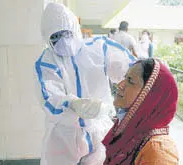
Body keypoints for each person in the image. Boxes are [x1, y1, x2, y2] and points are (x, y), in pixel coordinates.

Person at [35, 3, 136, 165]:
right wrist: (73, 103)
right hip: (64, 136)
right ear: (47, 38)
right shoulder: (47, 61)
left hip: (100, 129)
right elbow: (49, 97)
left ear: (74, 29)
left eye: (66, 34)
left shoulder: (99, 47)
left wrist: (147, 68)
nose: (63, 41)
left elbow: (131, 70)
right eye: (55, 37)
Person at [102, 58, 179, 164]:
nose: (120, 85)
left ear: (151, 96)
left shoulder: (158, 150)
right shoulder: (127, 129)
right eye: (125, 78)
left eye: (130, 81)